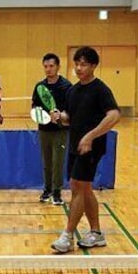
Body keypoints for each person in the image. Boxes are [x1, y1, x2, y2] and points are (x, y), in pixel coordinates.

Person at [50, 47, 120, 253]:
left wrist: (91, 136)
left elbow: (114, 115)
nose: (79, 68)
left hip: (91, 147)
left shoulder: (100, 89)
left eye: (84, 64)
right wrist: (60, 117)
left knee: (78, 187)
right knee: (84, 188)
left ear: (93, 66)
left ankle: (67, 235)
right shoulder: (73, 90)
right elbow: (70, 117)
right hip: (74, 145)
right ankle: (96, 233)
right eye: (77, 64)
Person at [32, 53, 72, 206]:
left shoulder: (67, 86)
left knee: (58, 162)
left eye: (51, 66)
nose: (48, 69)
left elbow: (71, 109)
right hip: (44, 130)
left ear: (58, 67)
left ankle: (57, 192)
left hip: (60, 131)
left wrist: (61, 115)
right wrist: (45, 114)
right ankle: (47, 190)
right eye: (46, 67)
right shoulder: (40, 87)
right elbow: (34, 107)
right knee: (46, 162)